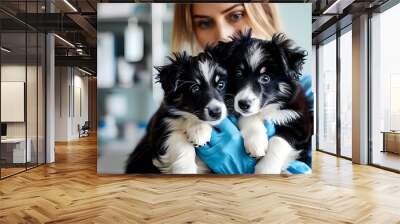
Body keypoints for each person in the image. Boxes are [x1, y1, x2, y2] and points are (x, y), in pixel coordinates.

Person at [171, 3, 313, 174]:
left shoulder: (305, 92)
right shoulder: (188, 89)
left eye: (236, 15)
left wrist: (249, 167)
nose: (223, 35)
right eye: (204, 23)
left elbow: (307, 167)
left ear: (265, 12)